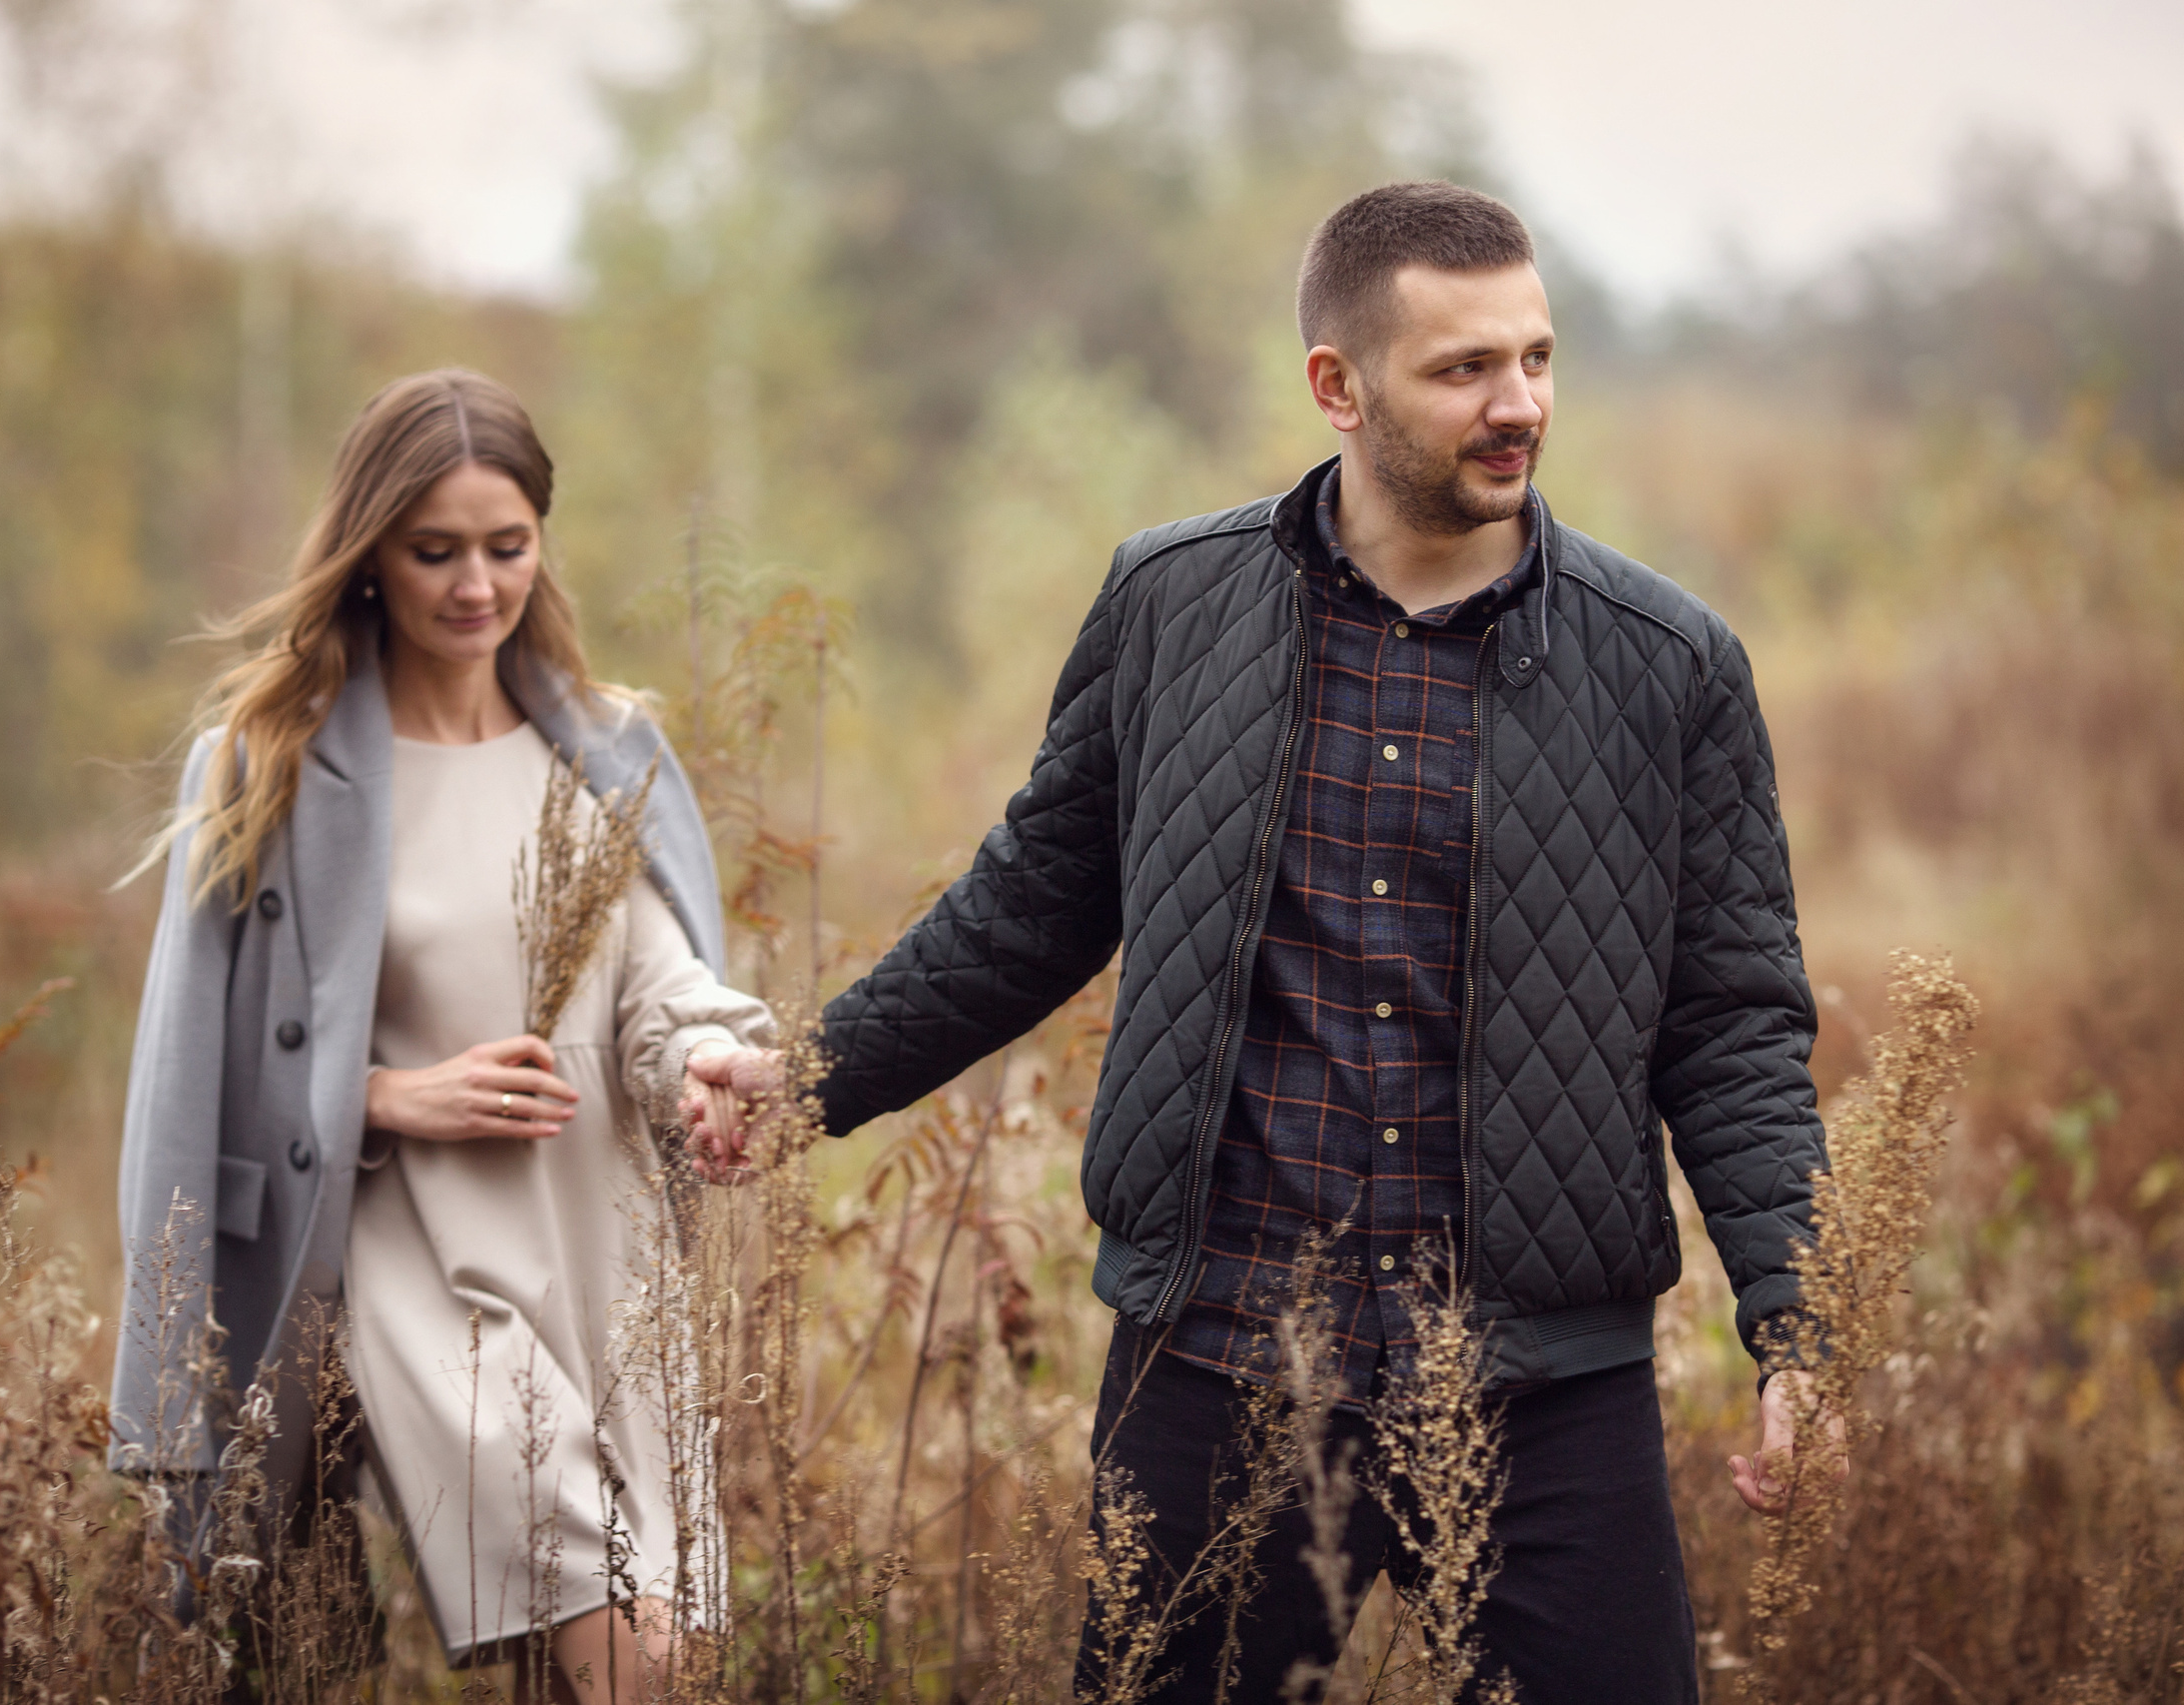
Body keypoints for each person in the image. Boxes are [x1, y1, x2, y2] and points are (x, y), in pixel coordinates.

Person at [686, 182, 1835, 1702]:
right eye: (1465, 370)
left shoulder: (1668, 666)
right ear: (1335, 388)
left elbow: (1732, 1021)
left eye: (1538, 358)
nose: (1520, 406)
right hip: (1219, 1358)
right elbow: (1032, 902)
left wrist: (1800, 1324)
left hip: (1540, 1386)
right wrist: (808, 1078)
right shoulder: (1173, 605)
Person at [111, 369, 770, 1704]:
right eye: (436, 551)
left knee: (665, 1664)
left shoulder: (612, 747)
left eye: (506, 546)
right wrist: (388, 1097)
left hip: (607, 1252)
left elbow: (660, 979)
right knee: (620, 1648)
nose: (476, 584)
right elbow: (193, 1075)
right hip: (420, 1267)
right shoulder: (270, 763)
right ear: (370, 555)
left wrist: (709, 1056)